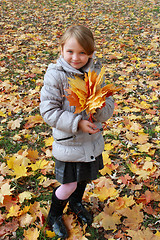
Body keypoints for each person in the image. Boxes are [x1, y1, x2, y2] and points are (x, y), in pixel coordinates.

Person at [40, 25, 114, 239]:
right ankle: (54, 215)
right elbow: (48, 110)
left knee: (84, 178)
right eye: (70, 51)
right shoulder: (56, 75)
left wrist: (100, 108)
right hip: (69, 143)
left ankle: (75, 203)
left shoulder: (95, 72)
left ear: (91, 53)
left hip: (91, 140)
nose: (76, 57)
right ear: (61, 49)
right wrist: (77, 123)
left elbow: (108, 101)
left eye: (82, 52)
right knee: (69, 183)